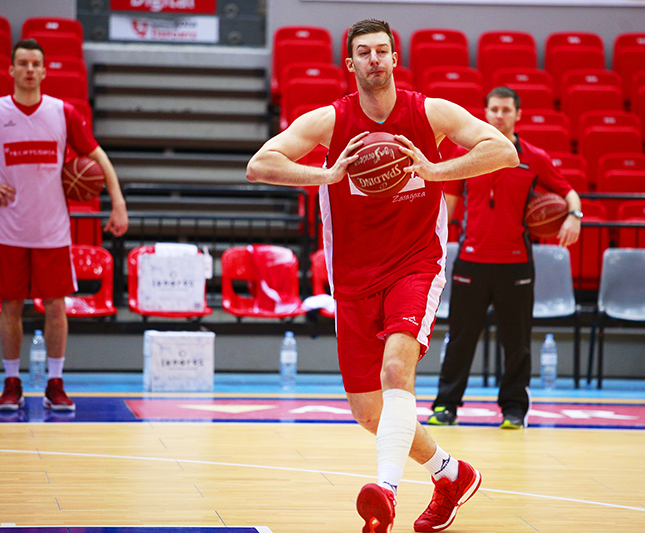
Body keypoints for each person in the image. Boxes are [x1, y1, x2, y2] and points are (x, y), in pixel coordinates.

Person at [247, 19, 518, 533]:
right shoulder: (331, 120)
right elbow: (259, 165)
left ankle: (385, 492)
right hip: (353, 278)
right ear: (350, 63)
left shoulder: (429, 112)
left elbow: (504, 150)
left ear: (395, 59)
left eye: (382, 51)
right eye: (364, 52)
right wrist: (326, 174)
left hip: (416, 264)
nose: (374, 59)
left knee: (397, 371)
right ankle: (451, 475)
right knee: (370, 413)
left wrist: (435, 170)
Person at [0, 38, 129, 412]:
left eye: (35, 64)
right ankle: (12, 383)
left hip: (53, 231)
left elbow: (97, 156)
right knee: (10, 307)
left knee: (56, 307)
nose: (29, 69)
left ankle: (55, 383)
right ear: (11, 69)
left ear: (44, 71)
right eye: (22, 63)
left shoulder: (62, 112)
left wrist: (118, 202)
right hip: (8, 230)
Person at [428, 86, 582, 430]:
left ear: (518, 114)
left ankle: (514, 410)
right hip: (471, 261)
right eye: (494, 109)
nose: (499, 115)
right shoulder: (466, 153)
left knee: (517, 343)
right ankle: (446, 406)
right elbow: (447, 207)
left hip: (516, 264)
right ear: (485, 113)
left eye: (506, 110)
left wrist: (574, 216)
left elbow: (568, 193)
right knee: (460, 339)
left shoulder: (534, 157)